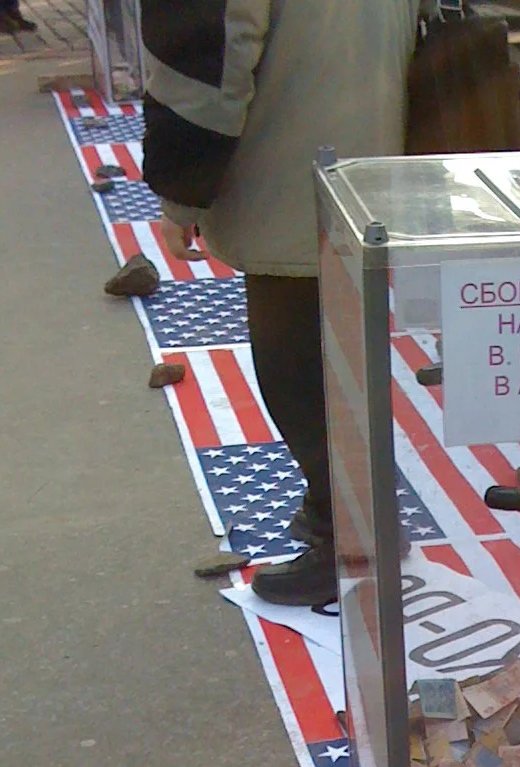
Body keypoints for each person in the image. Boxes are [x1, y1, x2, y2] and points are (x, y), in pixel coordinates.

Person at [140, 0, 419, 606]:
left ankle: (351, 539)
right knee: (334, 354)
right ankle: (344, 518)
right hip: (365, 134)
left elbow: (210, 55)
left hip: (294, 151)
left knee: (295, 366)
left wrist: (181, 191)